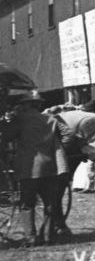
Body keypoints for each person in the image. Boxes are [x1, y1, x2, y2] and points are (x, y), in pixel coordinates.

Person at [0, 90, 72, 245]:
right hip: (51, 167)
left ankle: (31, 237)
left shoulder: (20, 120)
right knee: (50, 204)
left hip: (29, 167)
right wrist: (59, 148)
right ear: (39, 105)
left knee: (27, 204)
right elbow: (69, 134)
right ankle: (47, 237)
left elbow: (6, 136)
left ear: (25, 106)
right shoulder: (51, 118)